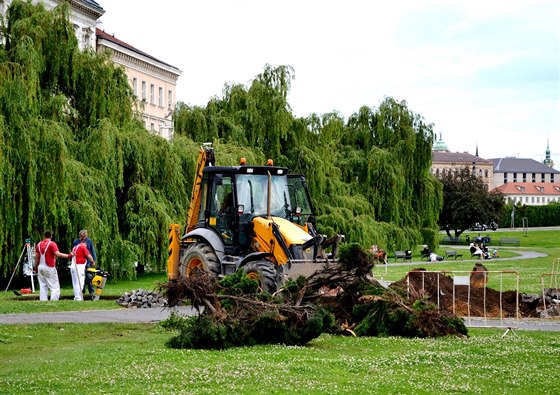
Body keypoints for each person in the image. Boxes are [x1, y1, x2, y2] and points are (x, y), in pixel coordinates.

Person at [34, 231, 71, 301]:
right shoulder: (52, 244)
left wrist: (35, 267)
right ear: (51, 236)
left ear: (44, 236)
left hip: (40, 267)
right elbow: (58, 254)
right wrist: (69, 255)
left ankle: (43, 300)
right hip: (49, 267)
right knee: (54, 285)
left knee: (42, 285)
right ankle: (54, 300)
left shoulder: (39, 244)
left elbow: (36, 257)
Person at [72, 229, 97, 298]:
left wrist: (93, 260)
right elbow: (73, 251)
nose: (82, 237)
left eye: (84, 236)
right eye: (81, 236)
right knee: (79, 278)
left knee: (89, 277)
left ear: (86, 235)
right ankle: (81, 291)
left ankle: (91, 292)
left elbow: (92, 251)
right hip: (79, 263)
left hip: (88, 262)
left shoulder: (89, 241)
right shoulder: (76, 242)